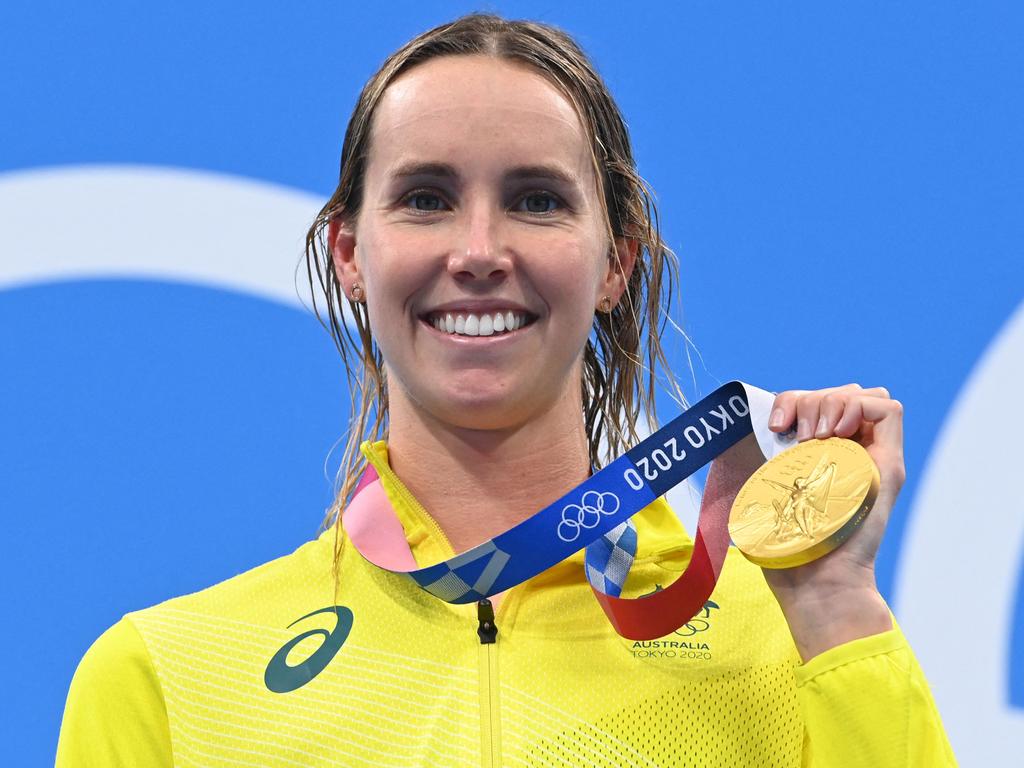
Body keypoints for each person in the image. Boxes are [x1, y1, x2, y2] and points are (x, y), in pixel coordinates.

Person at [57, 13, 956, 767]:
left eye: (536, 200)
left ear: (617, 261)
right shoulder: (169, 680)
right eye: (424, 197)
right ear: (349, 254)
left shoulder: (787, 647)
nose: (480, 250)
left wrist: (835, 604)